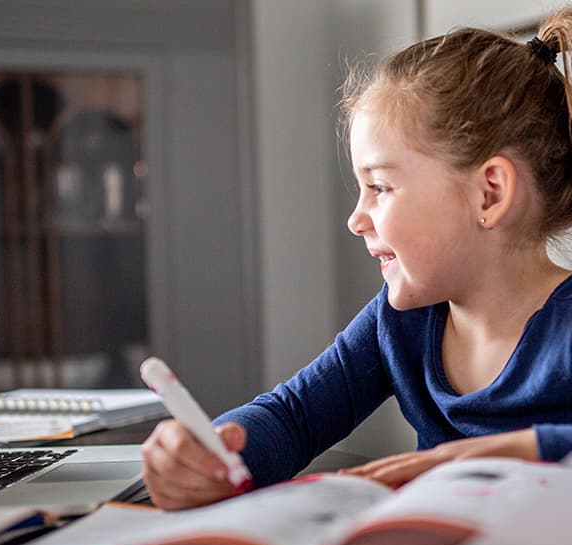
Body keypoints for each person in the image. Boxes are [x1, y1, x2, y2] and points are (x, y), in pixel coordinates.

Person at [142, 11, 572, 509]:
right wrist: (209, 455)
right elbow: (292, 418)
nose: (356, 218)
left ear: (489, 193)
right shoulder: (399, 323)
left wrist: (522, 449)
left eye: (380, 187)